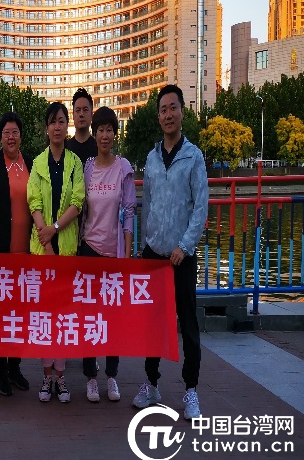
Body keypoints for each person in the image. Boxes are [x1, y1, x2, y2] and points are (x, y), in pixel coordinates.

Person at [133, 85, 208, 420]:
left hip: (182, 257)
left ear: (182, 112)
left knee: (188, 324)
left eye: (172, 108)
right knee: (152, 324)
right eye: (162, 110)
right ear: (158, 116)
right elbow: (147, 206)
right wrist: (144, 246)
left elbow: (200, 208)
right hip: (154, 254)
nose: (168, 115)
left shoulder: (193, 157)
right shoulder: (151, 158)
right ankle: (151, 383)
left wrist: (184, 246)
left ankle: (191, 390)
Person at [27, 102, 84, 403]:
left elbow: (78, 202)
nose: (57, 127)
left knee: (63, 316)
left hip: (67, 248)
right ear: (46, 128)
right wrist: (46, 241)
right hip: (43, 251)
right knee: (44, 316)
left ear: (67, 125)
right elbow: (33, 202)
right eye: (52, 122)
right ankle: (46, 375)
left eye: (62, 121)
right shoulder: (38, 163)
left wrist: (55, 229)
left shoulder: (75, 163)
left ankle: (60, 377)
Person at [79, 107, 136, 403]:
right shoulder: (87, 168)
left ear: (115, 134)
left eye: (109, 130)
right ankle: (90, 377)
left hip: (114, 253)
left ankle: (111, 376)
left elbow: (129, 212)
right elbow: (81, 208)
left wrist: (126, 255)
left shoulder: (123, 168)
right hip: (89, 248)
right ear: (95, 133)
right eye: (100, 130)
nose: (105, 135)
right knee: (90, 316)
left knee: (112, 318)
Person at [0, 112, 32, 397]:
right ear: (0, 136)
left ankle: (15, 368)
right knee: (0, 317)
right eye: (6, 132)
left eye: (15, 132)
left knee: (21, 317)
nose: (11, 137)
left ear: (20, 136)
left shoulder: (32, 164)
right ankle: (1, 372)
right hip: (0, 253)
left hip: (26, 253)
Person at [66, 88, 98, 167]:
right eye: (78, 110)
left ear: (91, 114)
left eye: (85, 110)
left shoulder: (99, 148)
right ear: (73, 115)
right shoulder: (65, 149)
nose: (81, 114)